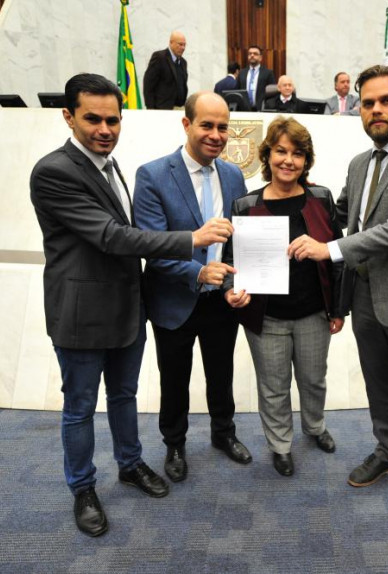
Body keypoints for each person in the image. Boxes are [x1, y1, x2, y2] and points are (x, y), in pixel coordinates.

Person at [29, 73, 233, 537]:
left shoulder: (110, 164)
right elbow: (110, 236)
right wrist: (192, 241)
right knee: (79, 406)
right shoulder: (54, 171)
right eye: (93, 119)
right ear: (68, 117)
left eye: (113, 120)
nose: (105, 129)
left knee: (124, 396)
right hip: (81, 313)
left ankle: (130, 464)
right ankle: (82, 488)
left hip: (127, 306)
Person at [287, 65, 388, 526]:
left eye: (385, 100)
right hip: (365, 297)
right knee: (378, 385)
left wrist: (329, 248)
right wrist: (281, 199)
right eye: (368, 103)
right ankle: (387, 451)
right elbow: (340, 214)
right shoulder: (360, 164)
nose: (375, 110)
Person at [133, 92, 252, 485]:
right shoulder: (152, 175)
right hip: (174, 298)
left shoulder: (234, 175)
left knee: (222, 373)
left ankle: (223, 433)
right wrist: (197, 273)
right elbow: (153, 246)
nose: (216, 135)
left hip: (222, 300)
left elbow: (238, 242)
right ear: (186, 125)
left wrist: (235, 281)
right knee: (175, 378)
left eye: (222, 127)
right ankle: (175, 444)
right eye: (207, 125)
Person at [223, 117, 345, 477]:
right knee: (273, 386)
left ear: (306, 160)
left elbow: (337, 253)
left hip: (314, 313)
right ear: (268, 155)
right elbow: (230, 260)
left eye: (297, 153)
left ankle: (315, 427)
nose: (288, 160)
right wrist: (231, 290)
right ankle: (280, 445)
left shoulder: (321, 198)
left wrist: (338, 308)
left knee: (313, 379)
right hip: (267, 316)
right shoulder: (245, 205)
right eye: (280, 151)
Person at [143, 31, 189, 110]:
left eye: (184, 45)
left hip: (180, 109)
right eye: (180, 44)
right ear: (171, 42)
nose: (183, 48)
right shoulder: (159, 57)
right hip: (162, 110)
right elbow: (148, 85)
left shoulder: (183, 62)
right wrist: (151, 110)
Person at [238, 44, 276, 111]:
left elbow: (273, 93)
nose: (252, 55)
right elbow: (238, 91)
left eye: (255, 54)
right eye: (250, 54)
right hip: (244, 110)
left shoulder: (268, 73)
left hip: (262, 109)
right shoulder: (242, 73)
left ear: (260, 57)